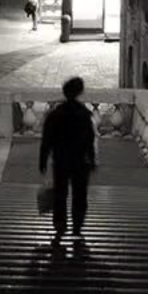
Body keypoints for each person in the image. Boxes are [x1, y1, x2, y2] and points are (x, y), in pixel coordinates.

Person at [39, 77, 96, 238]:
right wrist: (91, 158)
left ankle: (60, 225)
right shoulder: (84, 114)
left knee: (60, 193)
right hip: (79, 160)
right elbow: (89, 139)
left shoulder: (55, 114)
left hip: (61, 159)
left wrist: (43, 160)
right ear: (79, 92)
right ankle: (77, 225)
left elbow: (47, 139)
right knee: (80, 194)